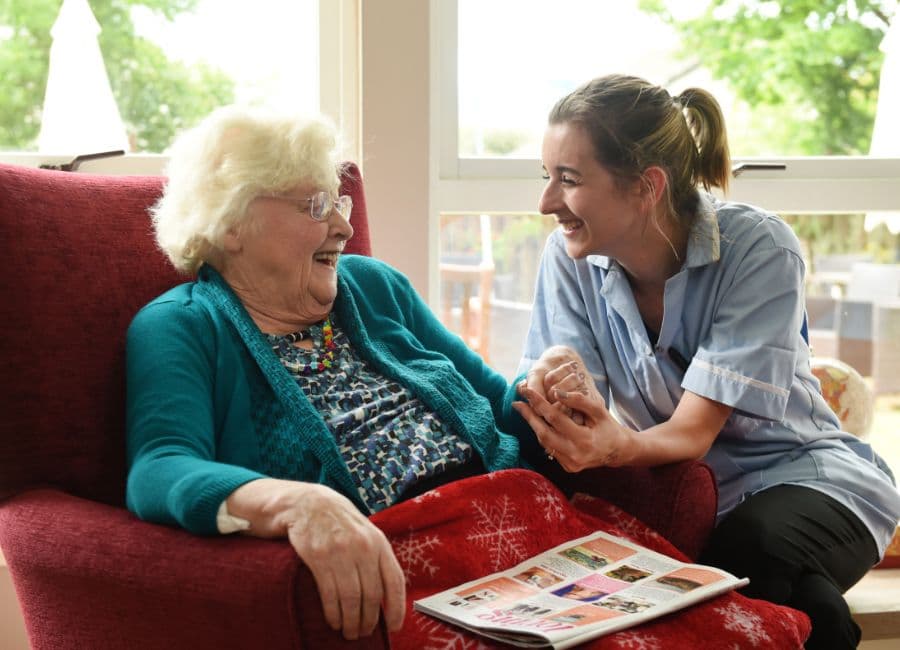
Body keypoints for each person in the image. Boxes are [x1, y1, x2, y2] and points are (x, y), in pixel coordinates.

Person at [512, 73, 900, 650]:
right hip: (693, 499)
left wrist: (614, 444)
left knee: (744, 553)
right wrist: (556, 386)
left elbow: (692, 432)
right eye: (548, 178)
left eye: (568, 180)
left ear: (646, 186)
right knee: (806, 607)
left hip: (811, 484)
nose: (546, 203)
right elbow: (569, 392)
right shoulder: (569, 257)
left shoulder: (759, 249)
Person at [125, 105, 535, 641]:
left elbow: (498, 402)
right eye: (316, 205)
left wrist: (543, 392)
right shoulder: (182, 326)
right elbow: (158, 468)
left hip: (527, 533)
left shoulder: (374, 285)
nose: (343, 226)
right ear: (231, 224)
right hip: (418, 580)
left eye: (337, 201)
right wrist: (295, 502)